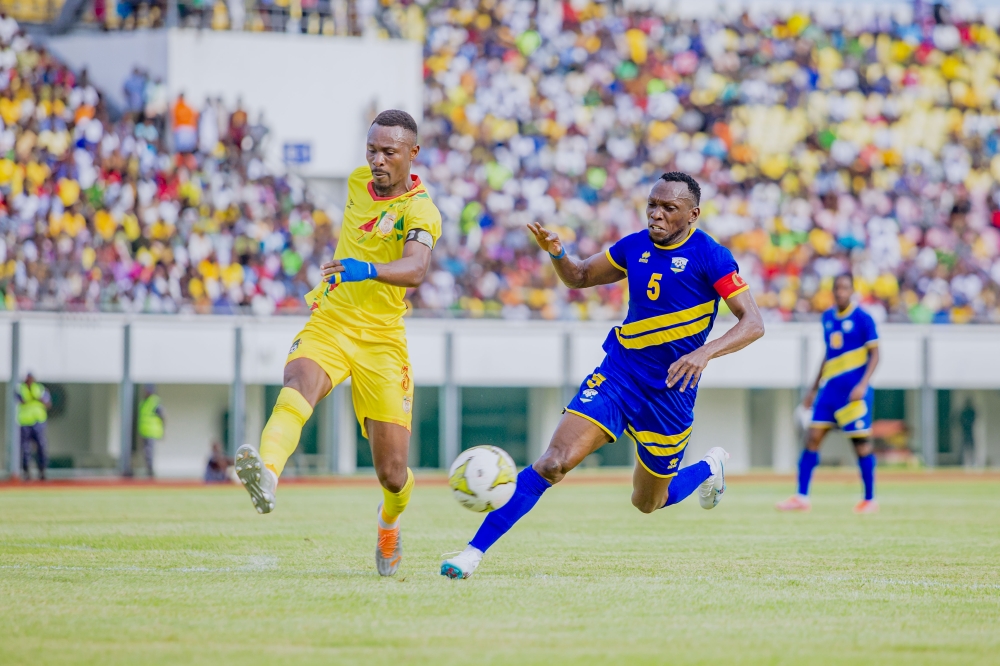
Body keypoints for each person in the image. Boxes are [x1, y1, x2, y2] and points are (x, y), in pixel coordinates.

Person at [441, 172, 766, 579]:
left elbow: (752, 323)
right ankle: (472, 553)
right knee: (553, 464)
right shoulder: (634, 247)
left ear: (693, 214)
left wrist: (705, 353)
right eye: (652, 205)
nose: (656, 215)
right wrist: (557, 252)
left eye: (669, 208)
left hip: (671, 394)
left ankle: (708, 468)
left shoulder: (712, 256)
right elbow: (578, 277)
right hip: (619, 377)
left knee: (648, 502)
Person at [233, 109, 442, 577]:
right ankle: (267, 473)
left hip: (383, 341)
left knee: (392, 473)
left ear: (413, 154)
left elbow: (416, 269)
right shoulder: (355, 182)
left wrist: (367, 269)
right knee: (299, 380)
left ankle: (389, 523)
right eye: (372, 150)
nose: (377, 160)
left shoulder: (421, 210)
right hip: (332, 318)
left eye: (389, 152)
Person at [777, 274, 880, 514]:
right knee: (812, 438)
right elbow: (828, 354)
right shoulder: (828, 317)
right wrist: (813, 389)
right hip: (829, 391)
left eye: (845, 288)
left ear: (852, 290)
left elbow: (875, 355)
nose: (841, 291)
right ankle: (801, 497)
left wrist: (863, 385)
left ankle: (869, 499)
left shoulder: (863, 318)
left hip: (853, 392)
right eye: (837, 288)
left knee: (861, 445)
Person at [17, 372, 51, 481]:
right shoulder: (20, 388)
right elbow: (21, 400)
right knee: (25, 448)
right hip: (25, 422)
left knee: (41, 446)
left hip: (38, 422)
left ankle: (42, 471)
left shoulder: (40, 388)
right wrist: (34, 398)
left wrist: (35, 397)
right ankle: (26, 471)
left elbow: (47, 403)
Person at [137, 384, 165, 478]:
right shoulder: (144, 402)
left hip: (152, 431)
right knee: (146, 452)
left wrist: (163, 430)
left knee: (149, 452)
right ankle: (148, 470)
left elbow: (162, 416)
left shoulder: (154, 402)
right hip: (144, 431)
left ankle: (150, 471)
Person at [959, 399, 976, 468]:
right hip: (965, 431)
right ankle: (964, 462)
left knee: (972, 447)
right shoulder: (964, 412)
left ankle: (973, 462)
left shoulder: (971, 411)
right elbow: (960, 419)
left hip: (970, 431)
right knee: (964, 447)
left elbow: (974, 418)